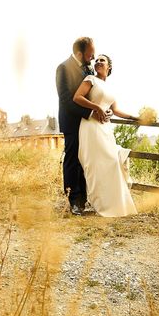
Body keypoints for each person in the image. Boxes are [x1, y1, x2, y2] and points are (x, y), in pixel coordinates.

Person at [73, 54, 138, 217]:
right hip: (90, 126)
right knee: (96, 164)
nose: (98, 62)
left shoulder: (111, 88)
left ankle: (115, 204)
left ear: (109, 66)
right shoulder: (90, 79)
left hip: (105, 128)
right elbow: (77, 97)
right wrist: (97, 108)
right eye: (97, 60)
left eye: (102, 60)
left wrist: (134, 117)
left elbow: (115, 110)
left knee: (111, 161)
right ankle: (99, 204)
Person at [56, 37, 105, 216]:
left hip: (88, 124)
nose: (93, 57)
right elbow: (66, 100)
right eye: (90, 53)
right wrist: (90, 113)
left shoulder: (88, 68)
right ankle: (74, 201)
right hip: (71, 122)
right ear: (79, 53)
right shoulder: (63, 68)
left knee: (85, 160)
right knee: (72, 160)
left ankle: (84, 198)